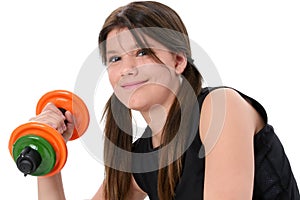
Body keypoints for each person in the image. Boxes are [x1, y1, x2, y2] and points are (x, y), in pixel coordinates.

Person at [32, 1, 299, 199]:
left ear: (179, 60)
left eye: (143, 52)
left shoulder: (221, 107)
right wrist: (48, 149)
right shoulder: (140, 160)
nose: (127, 68)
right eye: (115, 58)